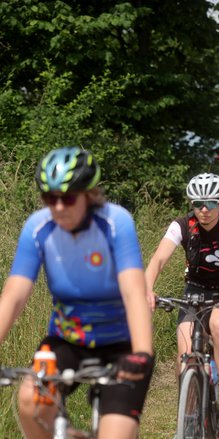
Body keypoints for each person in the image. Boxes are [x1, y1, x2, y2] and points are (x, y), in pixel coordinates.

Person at [0, 147, 154, 439]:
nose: (58, 207)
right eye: (49, 198)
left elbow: (134, 292)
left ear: (89, 194)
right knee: (30, 401)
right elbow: (14, 294)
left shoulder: (115, 222)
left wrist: (142, 352)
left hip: (123, 346)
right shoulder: (37, 228)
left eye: (68, 197)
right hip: (67, 341)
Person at [145, 173, 219, 425]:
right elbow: (158, 260)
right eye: (197, 204)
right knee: (185, 352)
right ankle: (186, 418)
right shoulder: (182, 225)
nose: (204, 209)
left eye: (210, 203)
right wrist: (147, 290)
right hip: (196, 288)